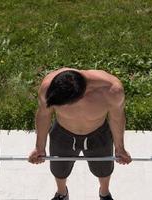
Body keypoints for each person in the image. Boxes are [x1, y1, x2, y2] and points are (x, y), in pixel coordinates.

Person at [28, 67, 132, 200]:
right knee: (59, 169)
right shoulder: (49, 88)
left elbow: (116, 118)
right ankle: (62, 193)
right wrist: (39, 147)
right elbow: (44, 115)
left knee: (103, 169)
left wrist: (120, 148)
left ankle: (104, 193)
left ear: (80, 95)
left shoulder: (112, 90)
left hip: (98, 134)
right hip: (63, 133)